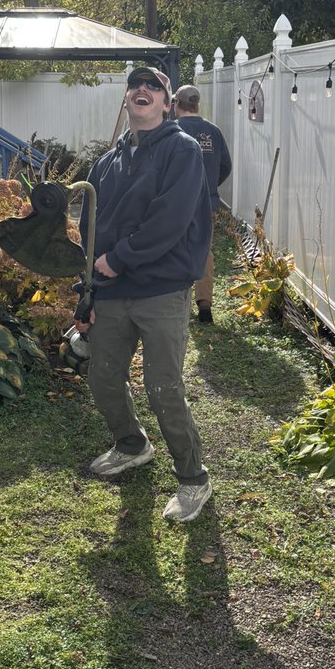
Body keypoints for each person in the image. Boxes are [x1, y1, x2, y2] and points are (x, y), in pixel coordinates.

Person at [76, 64, 214, 522]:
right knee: (102, 377)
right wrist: (87, 292)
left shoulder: (182, 150)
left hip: (162, 289)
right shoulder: (106, 163)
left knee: (163, 387)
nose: (142, 90)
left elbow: (169, 220)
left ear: (167, 103)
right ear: (126, 98)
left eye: (153, 86)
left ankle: (193, 479)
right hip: (111, 290)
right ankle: (132, 444)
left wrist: (120, 258)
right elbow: (90, 230)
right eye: (135, 85)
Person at [172, 84, 232, 323]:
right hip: (207, 203)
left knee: (176, 248)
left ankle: (180, 303)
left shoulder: (173, 131)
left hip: (177, 204)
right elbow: (225, 165)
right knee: (204, 249)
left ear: (176, 103)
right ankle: (204, 304)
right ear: (197, 104)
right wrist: (210, 187)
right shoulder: (213, 131)